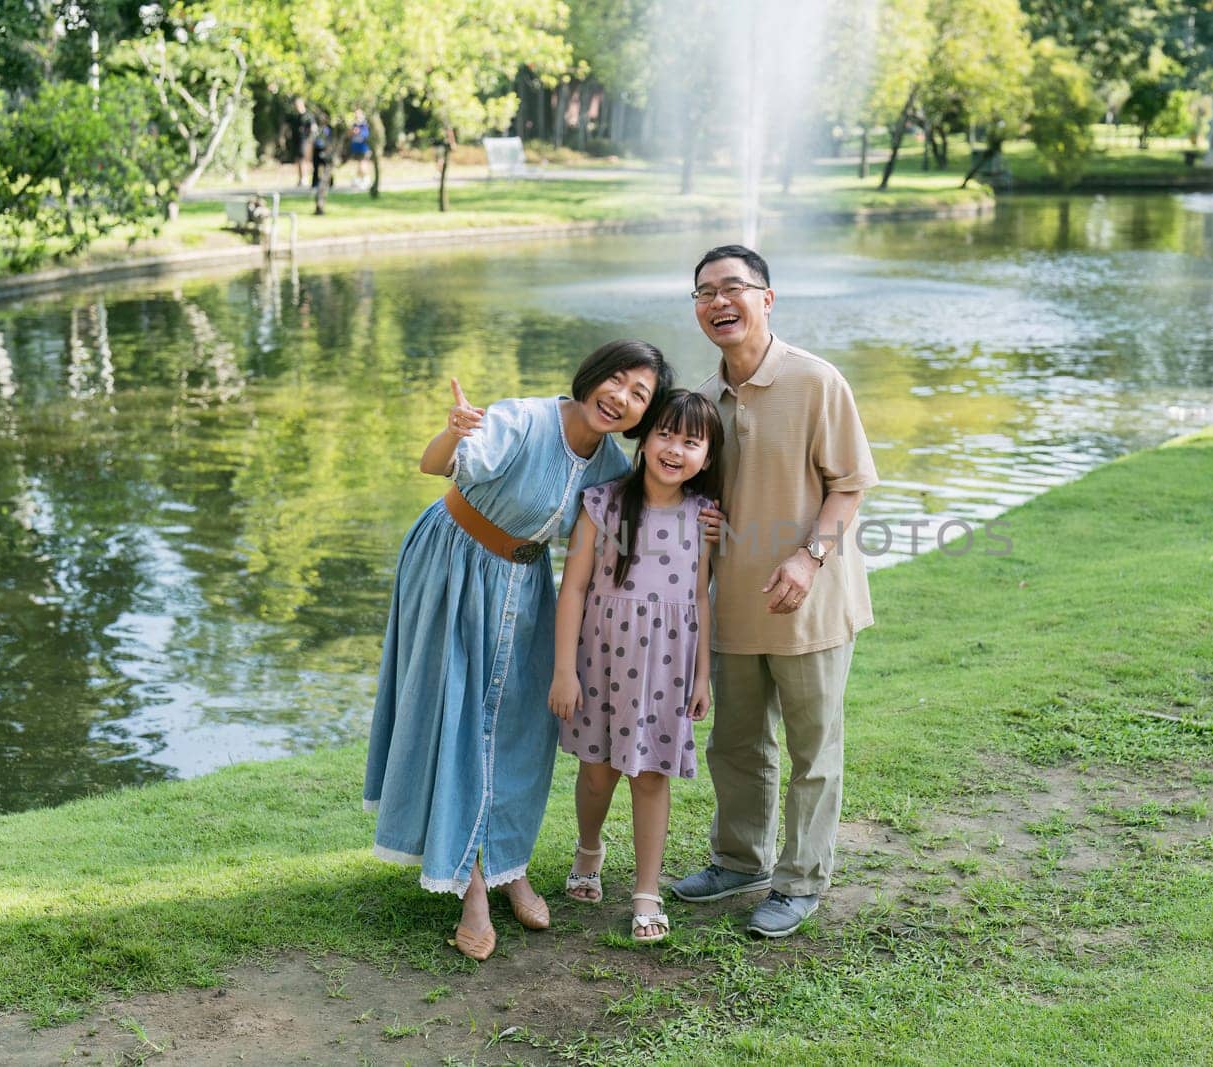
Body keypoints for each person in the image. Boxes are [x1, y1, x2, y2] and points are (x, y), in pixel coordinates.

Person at [364, 341, 673, 961]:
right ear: (590, 376)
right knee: (457, 714)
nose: (620, 398)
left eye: (639, 394)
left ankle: (509, 864)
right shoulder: (521, 419)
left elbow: (644, 516)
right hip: (453, 564)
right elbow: (436, 466)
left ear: (645, 414)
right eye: (615, 380)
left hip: (525, 583)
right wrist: (452, 434)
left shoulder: (611, 466)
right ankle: (472, 886)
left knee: (524, 726)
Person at [671, 245, 879, 938]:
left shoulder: (817, 382)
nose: (719, 302)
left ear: (767, 298)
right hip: (733, 605)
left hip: (809, 602)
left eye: (734, 287)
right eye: (705, 292)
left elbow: (847, 484)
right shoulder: (702, 401)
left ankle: (801, 880)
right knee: (734, 743)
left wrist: (808, 557)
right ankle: (740, 860)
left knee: (812, 750)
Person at [549, 391, 723, 944]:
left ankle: (646, 890)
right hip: (601, 658)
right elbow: (573, 588)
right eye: (665, 435)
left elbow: (700, 599)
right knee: (597, 772)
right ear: (643, 439)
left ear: (708, 457)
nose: (675, 450)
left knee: (651, 776)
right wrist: (563, 671)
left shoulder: (704, 517)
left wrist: (701, 676)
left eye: (691, 442)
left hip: (666, 664)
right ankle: (589, 849)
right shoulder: (602, 504)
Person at [291, 97, 314, 186]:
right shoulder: (296, 116)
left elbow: (312, 128)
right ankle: (301, 178)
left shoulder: (308, 115)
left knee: (303, 159)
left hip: (305, 140)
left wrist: (309, 139)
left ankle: (305, 178)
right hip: (297, 140)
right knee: (298, 160)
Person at [349, 109, 372, 186]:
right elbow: (350, 135)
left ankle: (366, 179)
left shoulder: (364, 124)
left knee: (363, 163)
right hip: (356, 147)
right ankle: (360, 179)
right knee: (359, 164)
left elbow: (366, 134)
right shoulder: (354, 124)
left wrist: (359, 131)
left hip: (363, 147)